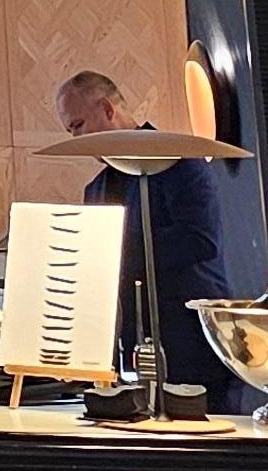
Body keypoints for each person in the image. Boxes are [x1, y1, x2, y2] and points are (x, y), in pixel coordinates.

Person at [55, 70, 230, 396]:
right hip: (127, 354)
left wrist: (112, 250)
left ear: (107, 109)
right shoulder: (95, 188)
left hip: (190, 350)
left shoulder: (182, 162)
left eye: (78, 125)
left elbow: (200, 240)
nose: (76, 140)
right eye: (69, 131)